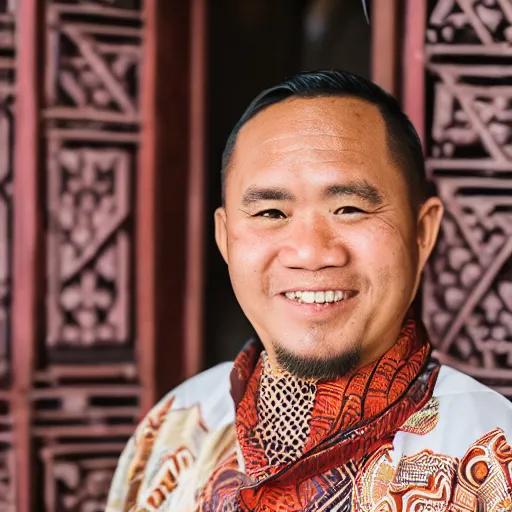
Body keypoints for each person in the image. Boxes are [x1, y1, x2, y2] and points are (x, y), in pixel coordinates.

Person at [106, 70, 512, 512]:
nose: (312, 252)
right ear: (225, 239)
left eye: (350, 209)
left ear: (422, 231)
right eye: (271, 212)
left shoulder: (488, 453)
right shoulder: (177, 428)